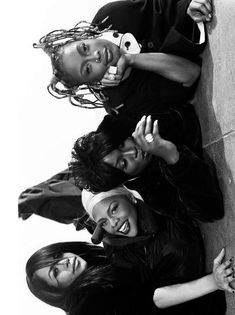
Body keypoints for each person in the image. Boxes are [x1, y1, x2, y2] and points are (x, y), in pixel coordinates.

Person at [34, 0, 211, 115]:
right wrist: (131, 60)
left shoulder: (109, 16)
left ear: (84, 37)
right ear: (94, 83)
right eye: (87, 69)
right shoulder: (121, 102)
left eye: (84, 48)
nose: (95, 56)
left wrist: (186, 7)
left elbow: (160, 6)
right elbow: (191, 73)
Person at [71, 115, 224, 223]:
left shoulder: (131, 123)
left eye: (121, 145)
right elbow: (210, 212)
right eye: (124, 163)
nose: (133, 152)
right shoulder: (153, 193)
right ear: (123, 180)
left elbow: (186, 116)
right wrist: (171, 156)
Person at [26, 241, 233, 315]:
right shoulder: (87, 304)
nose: (64, 262)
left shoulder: (93, 275)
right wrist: (213, 282)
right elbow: (151, 300)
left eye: (57, 256)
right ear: (56, 291)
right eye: (55, 272)